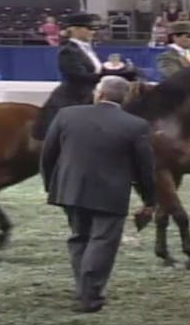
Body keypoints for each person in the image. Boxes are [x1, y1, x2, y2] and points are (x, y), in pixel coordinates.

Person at [40, 76, 156, 313]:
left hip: (70, 190)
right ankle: (90, 296)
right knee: (102, 242)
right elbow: (145, 168)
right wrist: (149, 200)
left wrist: (51, 186)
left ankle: (84, 290)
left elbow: (47, 155)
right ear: (124, 98)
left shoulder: (67, 115)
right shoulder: (136, 125)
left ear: (99, 94)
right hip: (111, 193)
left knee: (79, 238)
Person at [32, 13, 136, 140]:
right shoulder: (68, 51)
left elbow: (97, 71)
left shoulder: (87, 49)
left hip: (91, 93)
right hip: (75, 96)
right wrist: (114, 74)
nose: (93, 32)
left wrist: (119, 69)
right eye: (89, 28)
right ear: (75, 30)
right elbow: (80, 76)